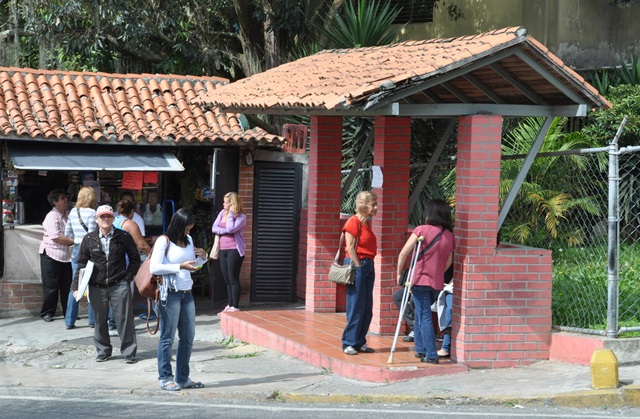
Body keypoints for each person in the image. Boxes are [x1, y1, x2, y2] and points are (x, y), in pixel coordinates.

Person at [71, 205, 141, 363]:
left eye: (108, 216)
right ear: (96, 219)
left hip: (119, 284)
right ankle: (103, 351)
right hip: (97, 286)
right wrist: (76, 287)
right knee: (99, 320)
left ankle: (129, 353)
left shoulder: (123, 236)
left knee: (124, 320)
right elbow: (81, 264)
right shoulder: (89, 239)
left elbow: (135, 259)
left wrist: (127, 278)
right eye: (102, 217)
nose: (105, 219)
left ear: (113, 218)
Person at [150, 208, 207, 391]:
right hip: (170, 293)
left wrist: (202, 259)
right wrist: (179, 266)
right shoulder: (163, 241)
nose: (189, 233)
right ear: (178, 226)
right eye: (187, 229)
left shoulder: (189, 240)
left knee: (188, 337)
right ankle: (165, 378)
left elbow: (192, 266)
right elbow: (155, 268)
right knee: (167, 337)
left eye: (190, 229)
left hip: (186, 292)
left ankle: (182, 378)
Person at [396, 199, 455, 364]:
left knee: (424, 315)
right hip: (436, 283)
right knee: (422, 313)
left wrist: (399, 272)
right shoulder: (450, 236)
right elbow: (448, 262)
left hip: (420, 279)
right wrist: (436, 273)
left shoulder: (421, 229)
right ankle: (420, 349)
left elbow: (403, 253)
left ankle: (431, 354)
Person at [106, 199, 152, 335]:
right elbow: (142, 245)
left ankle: (113, 323)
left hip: (109, 261)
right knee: (124, 294)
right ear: (132, 212)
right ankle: (116, 325)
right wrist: (154, 256)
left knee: (114, 293)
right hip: (124, 263)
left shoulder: (110, 221)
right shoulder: (130, 224)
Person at [341, 191, 378, 355]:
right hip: (358, 264)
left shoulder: (366, 224)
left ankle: (359, 341)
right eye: (373, 204)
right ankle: (349, 342)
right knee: (355, 305)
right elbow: (350, 248)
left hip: (368, 264)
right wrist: (359, 267)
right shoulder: (353, 222)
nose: (376, 207)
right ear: (364, 206)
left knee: (366, 306)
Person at [64, 186, 97, 329]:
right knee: (93, 283)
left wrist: (78, 237)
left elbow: (67, 233)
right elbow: (91, 235)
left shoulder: (72, 212)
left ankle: (69, 321)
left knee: (75, 284)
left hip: (76, 249)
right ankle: (92, 320)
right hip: (89, 250)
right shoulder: (92, 212)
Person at [39, 189, 74, 322]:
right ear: (55, 202)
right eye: (62, 198)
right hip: (51, 254)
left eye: (65, 197)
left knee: (67, 286)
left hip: (66, 256)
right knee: (51, 286)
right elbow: (57, 237)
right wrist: (75, 241)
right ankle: (47, 312)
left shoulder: (68, 214)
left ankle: (68, 312)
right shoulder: (51, 216)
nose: (66, 200)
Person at [211, 192, 247, 315]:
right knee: (227, 279)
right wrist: (224, 229)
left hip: (235, 250)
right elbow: (214, 227)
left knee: (233, 278)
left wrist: (231, 213)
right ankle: (229, 304)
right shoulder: (222, 213)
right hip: (223, 249)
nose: (223, 204)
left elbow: (231, 228)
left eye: (226, 202)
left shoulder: (241, 217)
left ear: (232, 204)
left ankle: (235, 306)